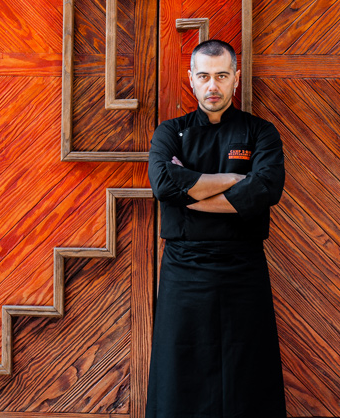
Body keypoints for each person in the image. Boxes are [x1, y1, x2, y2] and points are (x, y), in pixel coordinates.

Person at [145, 39, 286, 418]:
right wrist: (236, 180)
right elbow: (164, 185)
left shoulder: (260, 132)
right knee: (179, 366)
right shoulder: (169, 132)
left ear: (236, 78)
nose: (213, 85)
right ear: (191, 79)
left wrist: (190, 193)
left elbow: (266, 189)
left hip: (244, 269)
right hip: (183, 269)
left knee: (248, 368)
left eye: (222, 76)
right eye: (204, 76)